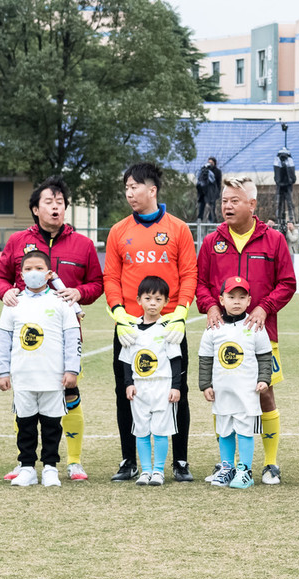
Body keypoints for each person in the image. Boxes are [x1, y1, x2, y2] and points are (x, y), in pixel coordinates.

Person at [0, 176, 103, 482]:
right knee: (25, 394)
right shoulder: (17, 241)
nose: (56, 208)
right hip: (26, 336)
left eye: (61, 203)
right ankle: (24, 462)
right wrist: (6, 292)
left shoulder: (82, 245)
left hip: (64, 335)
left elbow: (98, 284)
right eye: (49, 202)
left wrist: (79, 293)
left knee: (69, 392)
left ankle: (74, 461)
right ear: (34, 208)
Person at [196, 176, 296, 485]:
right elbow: (199, 283)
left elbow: (287, 284)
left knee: (263, 394)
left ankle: (269, 463)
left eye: (234, 201)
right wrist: (210, 306)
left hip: (260, 335)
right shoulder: (213, 242)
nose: (226, 206)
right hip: (222, 336)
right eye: (224, 201)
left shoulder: (274, 240)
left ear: (251, 205)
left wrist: (264, 307)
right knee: (223, 394)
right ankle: (229, 464)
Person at [104, 162, 198, 482]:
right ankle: (129, 460)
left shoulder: (178, 229)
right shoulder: (118, 231)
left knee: (176, 391)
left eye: (135, 187)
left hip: (169, 329)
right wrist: (118, 314)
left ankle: (180, 461)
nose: (129, 193)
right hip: (130, 329)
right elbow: (111, 278)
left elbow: (189, 274)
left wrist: (181, 313)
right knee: (126, 391)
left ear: (152, 190)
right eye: (127, 187)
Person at [0, 250, 81, 487]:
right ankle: (27, 468)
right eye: (28, 269)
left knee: (52, 424)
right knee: (25, 424)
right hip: (23, 377)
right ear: (21, 274)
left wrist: (71, 369)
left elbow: (72, 338)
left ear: (49, 273)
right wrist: (3, 372)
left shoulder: (61, 301)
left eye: (39, 269)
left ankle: (50, 468)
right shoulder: (13, 303)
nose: (34, 273)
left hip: (53, 377)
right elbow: (3, 340)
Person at [199, 276, 273, 489]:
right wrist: (205, 385)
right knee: (225, 430)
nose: (237, 301)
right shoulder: (214, 327)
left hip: (247, 392)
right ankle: (227, 467)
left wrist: (263, 379)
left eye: (242, 297)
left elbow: (265, 356)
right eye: (231, 296)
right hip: (223, 391)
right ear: (221, 299)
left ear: (250, 300)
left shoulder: (255, 326)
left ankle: (245, 470)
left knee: (245, 430)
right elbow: (205, 358)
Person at [119, 276, 182, 487]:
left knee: (161, 430)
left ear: (166, 302)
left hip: (162, 386)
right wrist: (128, 383)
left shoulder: (168, 327)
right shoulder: (131, 328)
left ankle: (158, 471)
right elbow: (127, 361)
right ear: (138, 300)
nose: (153, 303)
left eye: (158, 299)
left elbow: (175, 360)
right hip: (140, 388)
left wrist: (175, 387)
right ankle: (145, 471)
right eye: (148, 298)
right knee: (141, 429)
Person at [274, 148, 296, 225]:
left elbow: (276, 175)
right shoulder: (288, 161)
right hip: (285, 184)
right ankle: (288, 219)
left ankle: (281, 219)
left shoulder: (279, 161)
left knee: (282, 203)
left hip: (283, 184)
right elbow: (292, 176)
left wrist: (278, 181)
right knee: (286, 203)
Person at [196, 157, 221, 223]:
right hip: (204, 191)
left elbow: (218, 183)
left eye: (211, 162)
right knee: (202, 205)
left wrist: (217, 192)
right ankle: (200, 218)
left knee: (212, 206)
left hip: (212, 192)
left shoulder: (217, 171)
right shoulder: (204, 170)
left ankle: (211, 219)